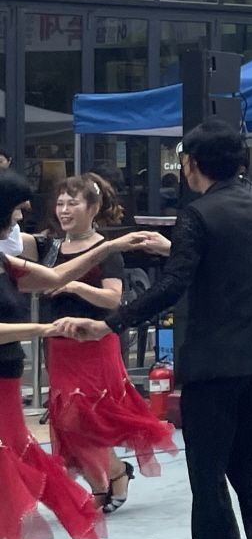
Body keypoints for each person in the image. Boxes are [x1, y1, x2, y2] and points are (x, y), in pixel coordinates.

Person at [50, 123, 252, 539]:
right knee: (247, 453)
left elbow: (172, 287)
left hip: (213, 357)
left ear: (190, 164)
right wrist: (180, 249)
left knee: (206, 469)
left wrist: (110, 323)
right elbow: (232, 263)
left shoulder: (198, 214)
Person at [0, 170, 106, 539]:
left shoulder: (5, 261)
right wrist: (45, 329)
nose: (24, 218)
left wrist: (114, 248)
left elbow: (58, 274)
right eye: (18, 211)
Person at [42, 174, 177, 512]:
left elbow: (113, 300)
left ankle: (115, 473)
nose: (64, 210)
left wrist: (72, 285)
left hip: (94, 342)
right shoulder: (50, 247)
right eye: (60, 203)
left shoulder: (107, 252)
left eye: (73, 203)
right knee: (65, 421)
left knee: (83, 416)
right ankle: (101, 484)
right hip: (59, 343)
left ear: (93, 208)